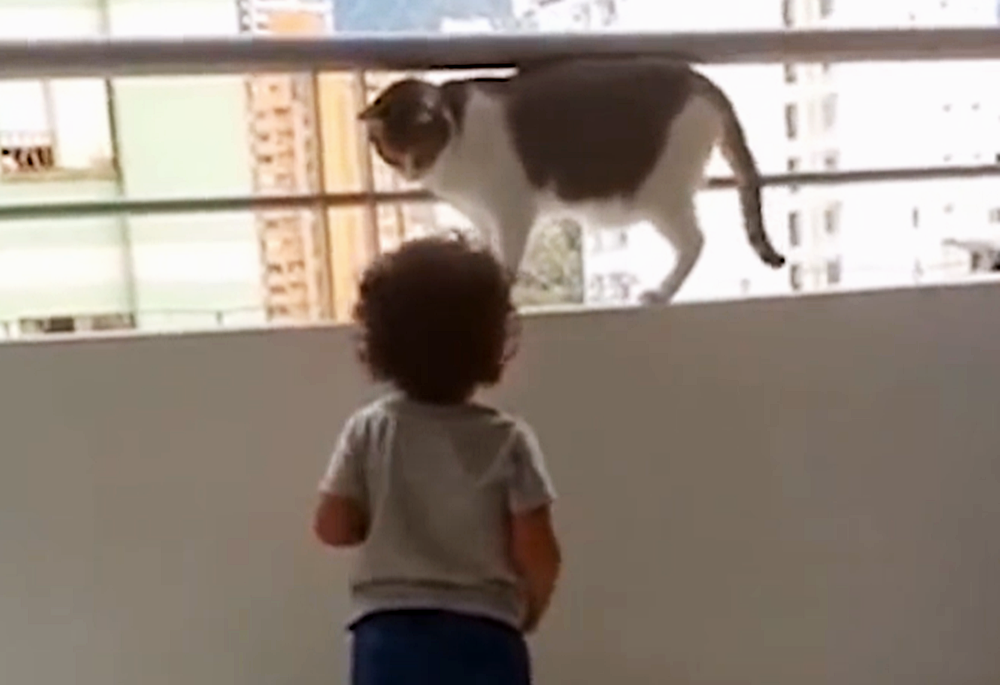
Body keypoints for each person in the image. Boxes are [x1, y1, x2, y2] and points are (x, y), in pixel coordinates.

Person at [313, 233, 562, 685]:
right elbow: (538, 550)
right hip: (485, 633)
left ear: (379, 341)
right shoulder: (508, 440)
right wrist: (529, 611)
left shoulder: (369, 430)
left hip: (388, 636)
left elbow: (331, 526)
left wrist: (372, 517)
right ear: (492, 343)